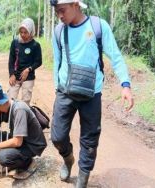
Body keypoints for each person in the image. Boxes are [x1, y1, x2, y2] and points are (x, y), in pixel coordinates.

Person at [49, 0, 134, 187]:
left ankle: (83, 178)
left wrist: (125, 85)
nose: (60, 16)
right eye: (57, 13)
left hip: (91, 93)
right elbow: (57, 62)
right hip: (65, 91)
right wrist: (57, 88)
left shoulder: (97, 27)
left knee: (90, 139)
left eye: (62, 10)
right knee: (57, 136)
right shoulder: (58, 31)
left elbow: (116, 56)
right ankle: (68, 158)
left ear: (76, 5)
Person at [0, 83, 47, 180]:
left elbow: (17, 142)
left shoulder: (19, 109)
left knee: (3, 157)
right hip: (18, 138)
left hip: (31, 144)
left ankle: (28, 163)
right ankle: (15, 159)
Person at [8, 18, 42, 105]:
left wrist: (28, 69)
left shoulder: (35, 45)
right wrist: (11, 74)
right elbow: (11, 59)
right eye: (21, 32)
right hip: (15, 76)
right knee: (10, 101)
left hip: (28, 77)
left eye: (25, 32)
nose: (22, 34)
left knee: (25, 102)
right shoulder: (15, 42)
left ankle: (23, 118)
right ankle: (11, 118)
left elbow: (38, 62)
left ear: (31, 32)